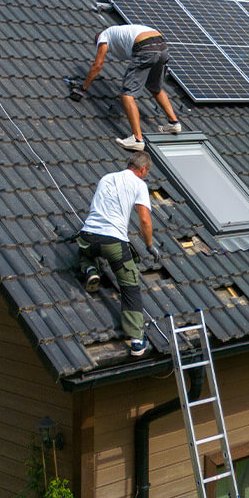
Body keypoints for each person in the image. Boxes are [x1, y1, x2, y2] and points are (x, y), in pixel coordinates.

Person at [76, 152, 159, 357]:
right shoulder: (139, 185)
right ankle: (137, 340)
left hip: (88, 237)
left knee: (84, 250)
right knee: (129, 286)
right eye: (147, 172)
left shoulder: (106, 177)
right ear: (143, 169)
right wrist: (149, 246)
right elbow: (145, 221)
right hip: (114, 242)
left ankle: (90, 269)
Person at [80, 24, 181, 151]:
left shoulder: (103, 37)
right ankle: (173, 122)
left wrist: (83, 89)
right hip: (162, 46)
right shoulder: (119, 31)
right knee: (154, 87)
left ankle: (137, 139)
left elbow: (97, 65)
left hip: (145, 47)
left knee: (126, 94)